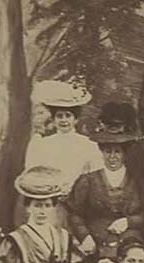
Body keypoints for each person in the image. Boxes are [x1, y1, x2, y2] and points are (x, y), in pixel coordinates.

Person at [65, 102, 144, 261]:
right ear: (102, 152)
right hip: (96, 242)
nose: (112, 157)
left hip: (129, 243)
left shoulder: (137, 181)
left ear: (124, 153)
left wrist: (129, 221)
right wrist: (85, 236)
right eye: (108, 151)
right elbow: (75, 214)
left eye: (117, 152)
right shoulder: (88, 180)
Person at [22, 81, 103, 227]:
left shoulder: (88, 145)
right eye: (59, 116)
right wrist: (51, 190)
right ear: (53, 119)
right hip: (48, 204)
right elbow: (32, 175)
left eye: (68, 115)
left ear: (76, 119)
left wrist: (74, 191)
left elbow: (96, 179)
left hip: (78, 206)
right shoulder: (42, 144)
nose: (64, 120)